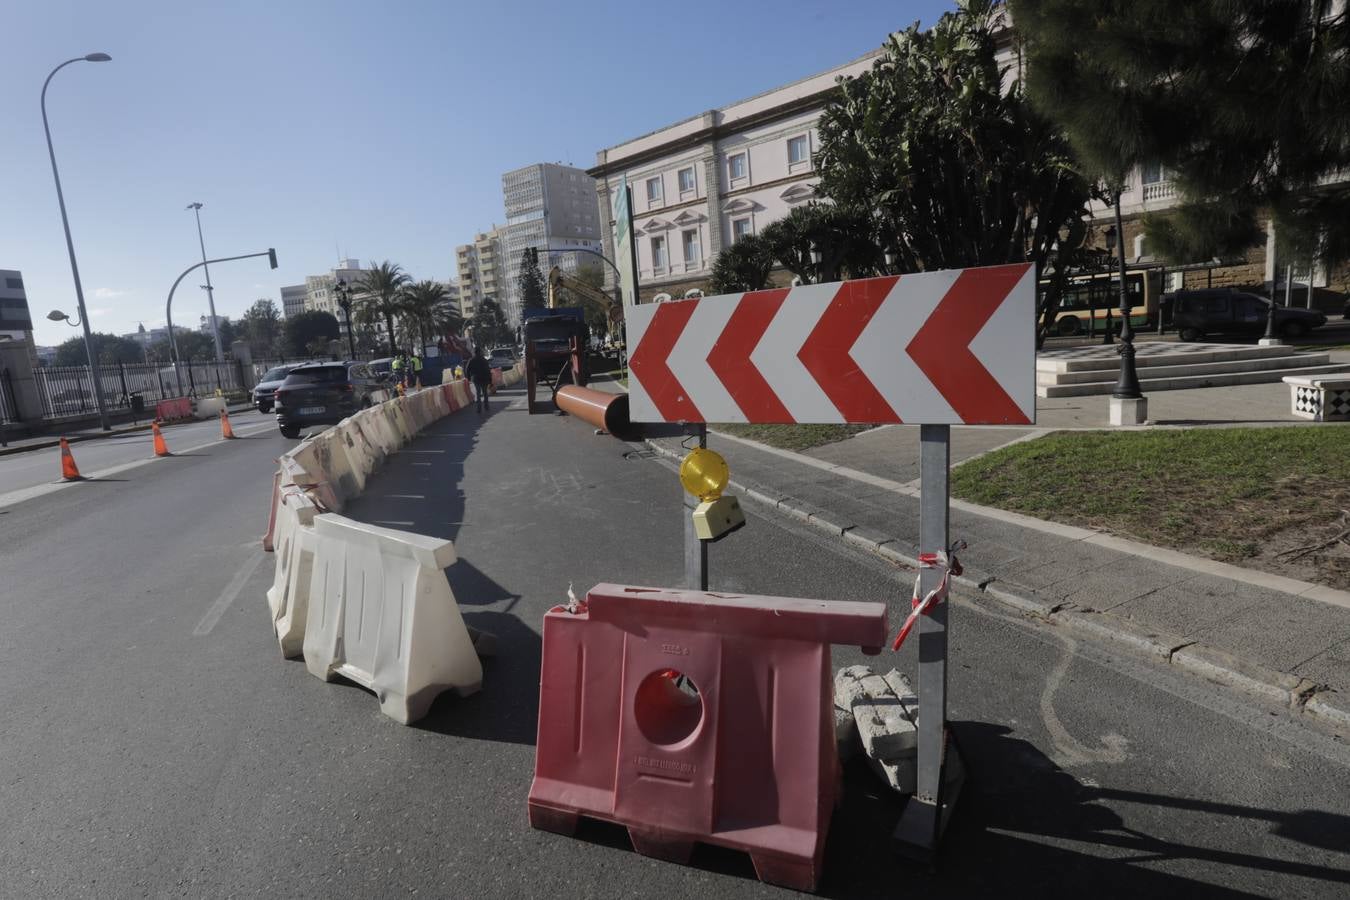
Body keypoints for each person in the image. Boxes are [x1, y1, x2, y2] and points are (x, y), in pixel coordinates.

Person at [465, 346, 493, 414]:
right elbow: (488, 370)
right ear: (480, 352)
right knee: (485, 393)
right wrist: (490, 380)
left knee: (478, 393)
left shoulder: (471, 360)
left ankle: (479, 408)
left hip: (476, 378)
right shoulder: (484, 360)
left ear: (474, 352)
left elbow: (467, 370)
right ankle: (486, 406)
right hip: (484, 378)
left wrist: (468, 378)